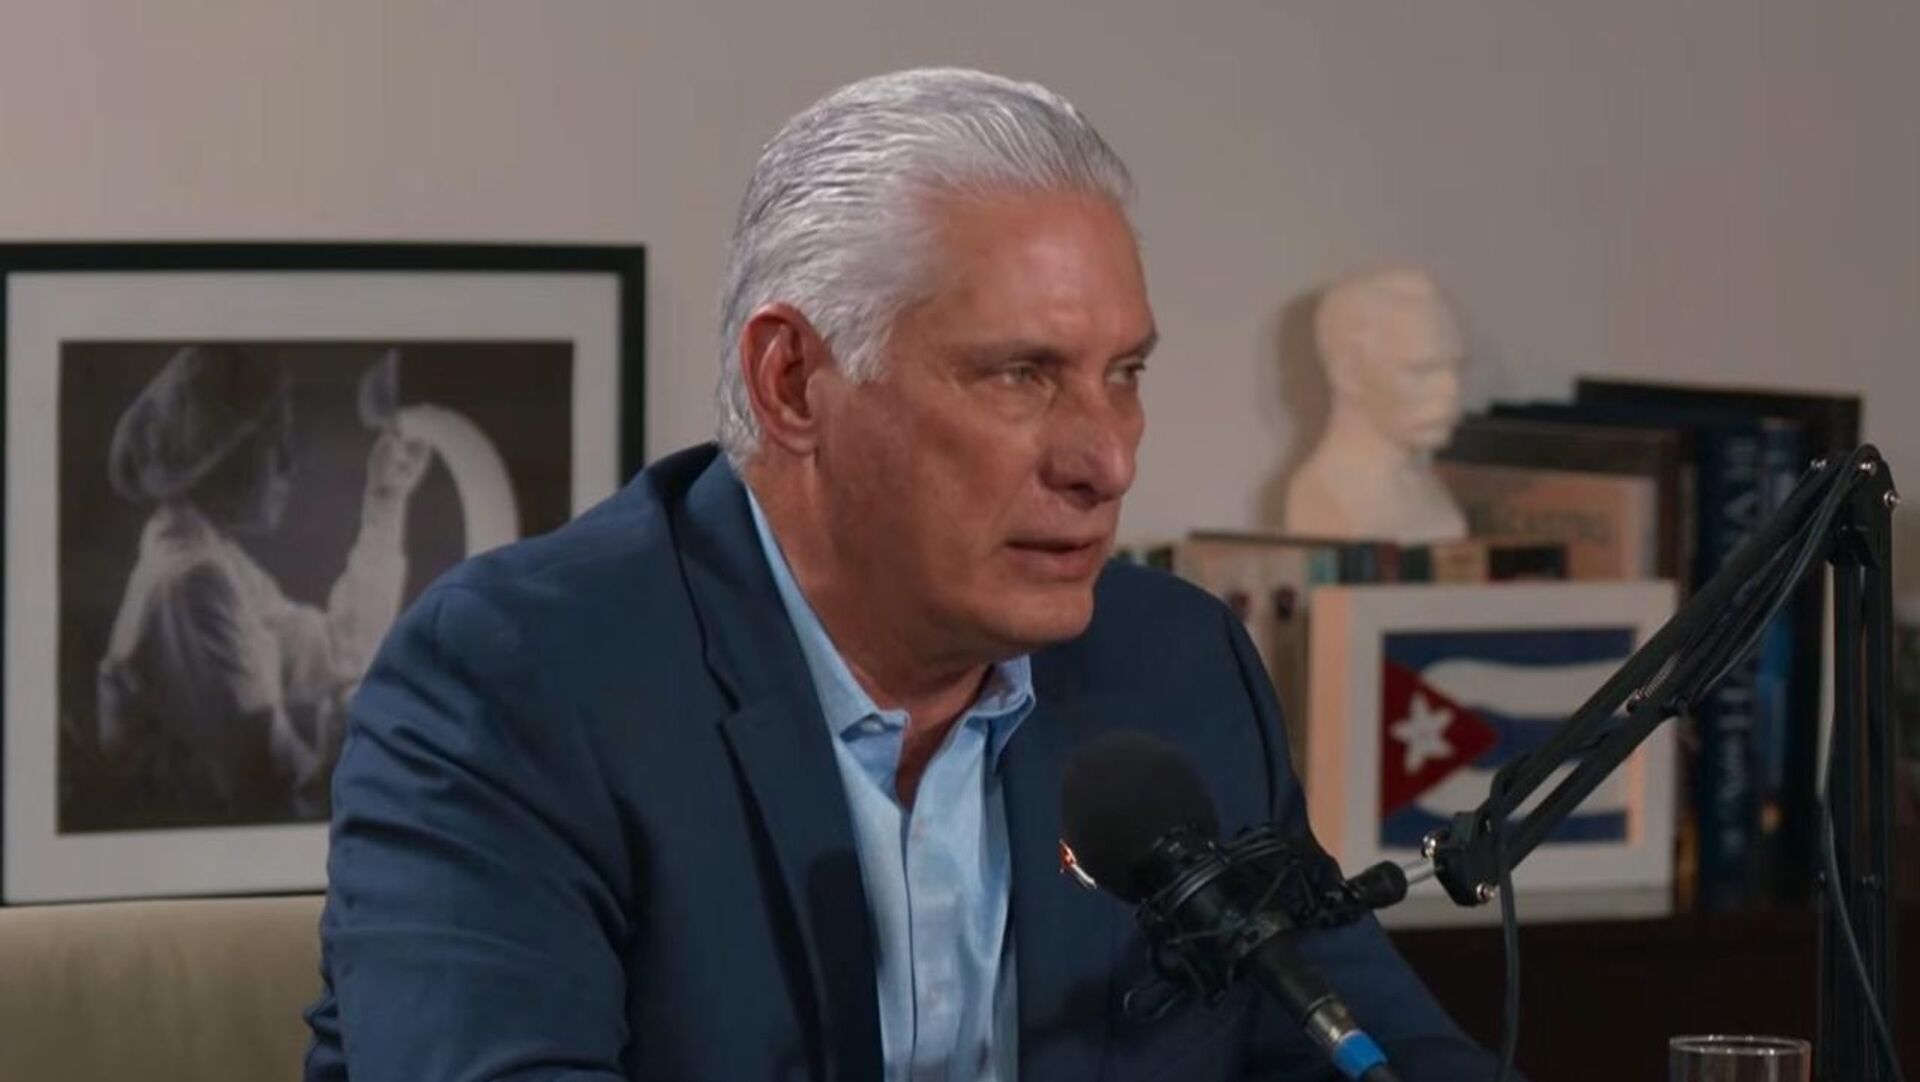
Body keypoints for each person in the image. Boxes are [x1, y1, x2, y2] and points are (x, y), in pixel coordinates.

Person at [305, 69, 1504, 1080]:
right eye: (1022, 374)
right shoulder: (519, 682)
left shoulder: (1174, 665)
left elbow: (1375, 1049)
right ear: (792, 383)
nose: (1106, 459)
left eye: (1124, 373)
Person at [97, 344, 430, 824]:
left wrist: (386, 499)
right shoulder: (191, 582)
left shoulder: (212, 558)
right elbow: (275, 798)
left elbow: (341, 651)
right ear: (217, 457)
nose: (289, 466)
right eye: (275, 443)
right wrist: (344, 748)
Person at [1284, 266, 1470, 543]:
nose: (1451, 391)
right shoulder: (1325, 493)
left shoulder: (1425, 487)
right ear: (1348, 373)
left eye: (1456, 369)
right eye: (1421, 371)